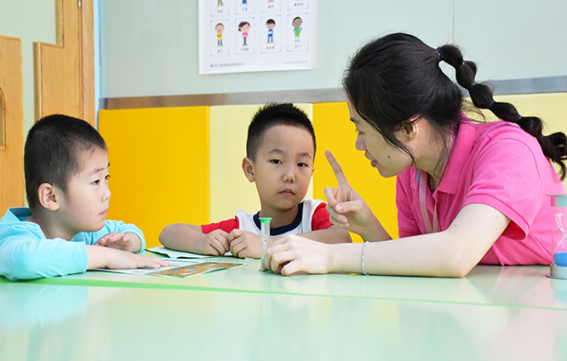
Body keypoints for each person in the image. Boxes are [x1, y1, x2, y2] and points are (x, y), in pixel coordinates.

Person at [262, 33, 567, 277]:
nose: (358, 144)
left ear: (408, 128)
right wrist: (370, 228)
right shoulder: (413, 172)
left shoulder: (509, 152)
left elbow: (455, 255)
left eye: (362, 129)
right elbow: (418, 264)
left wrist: (330, 256)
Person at [160, 103, 351, 258]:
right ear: (250, 170)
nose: (290, 175)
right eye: (276, 161)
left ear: (311, 172)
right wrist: (201, 243)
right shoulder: (241, 229)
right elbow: (169, 233)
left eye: (301, 164)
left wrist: (265, 245)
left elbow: (342, 239)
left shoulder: (313, 215)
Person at [0, 115, 169, 281]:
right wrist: (108, 256)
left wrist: (128, 243)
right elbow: (26, 261)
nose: (107, 193)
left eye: (106, 178)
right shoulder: (12, 237)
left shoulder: (80, 232)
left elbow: (131, 231)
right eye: (95, 181)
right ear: (51, 197)